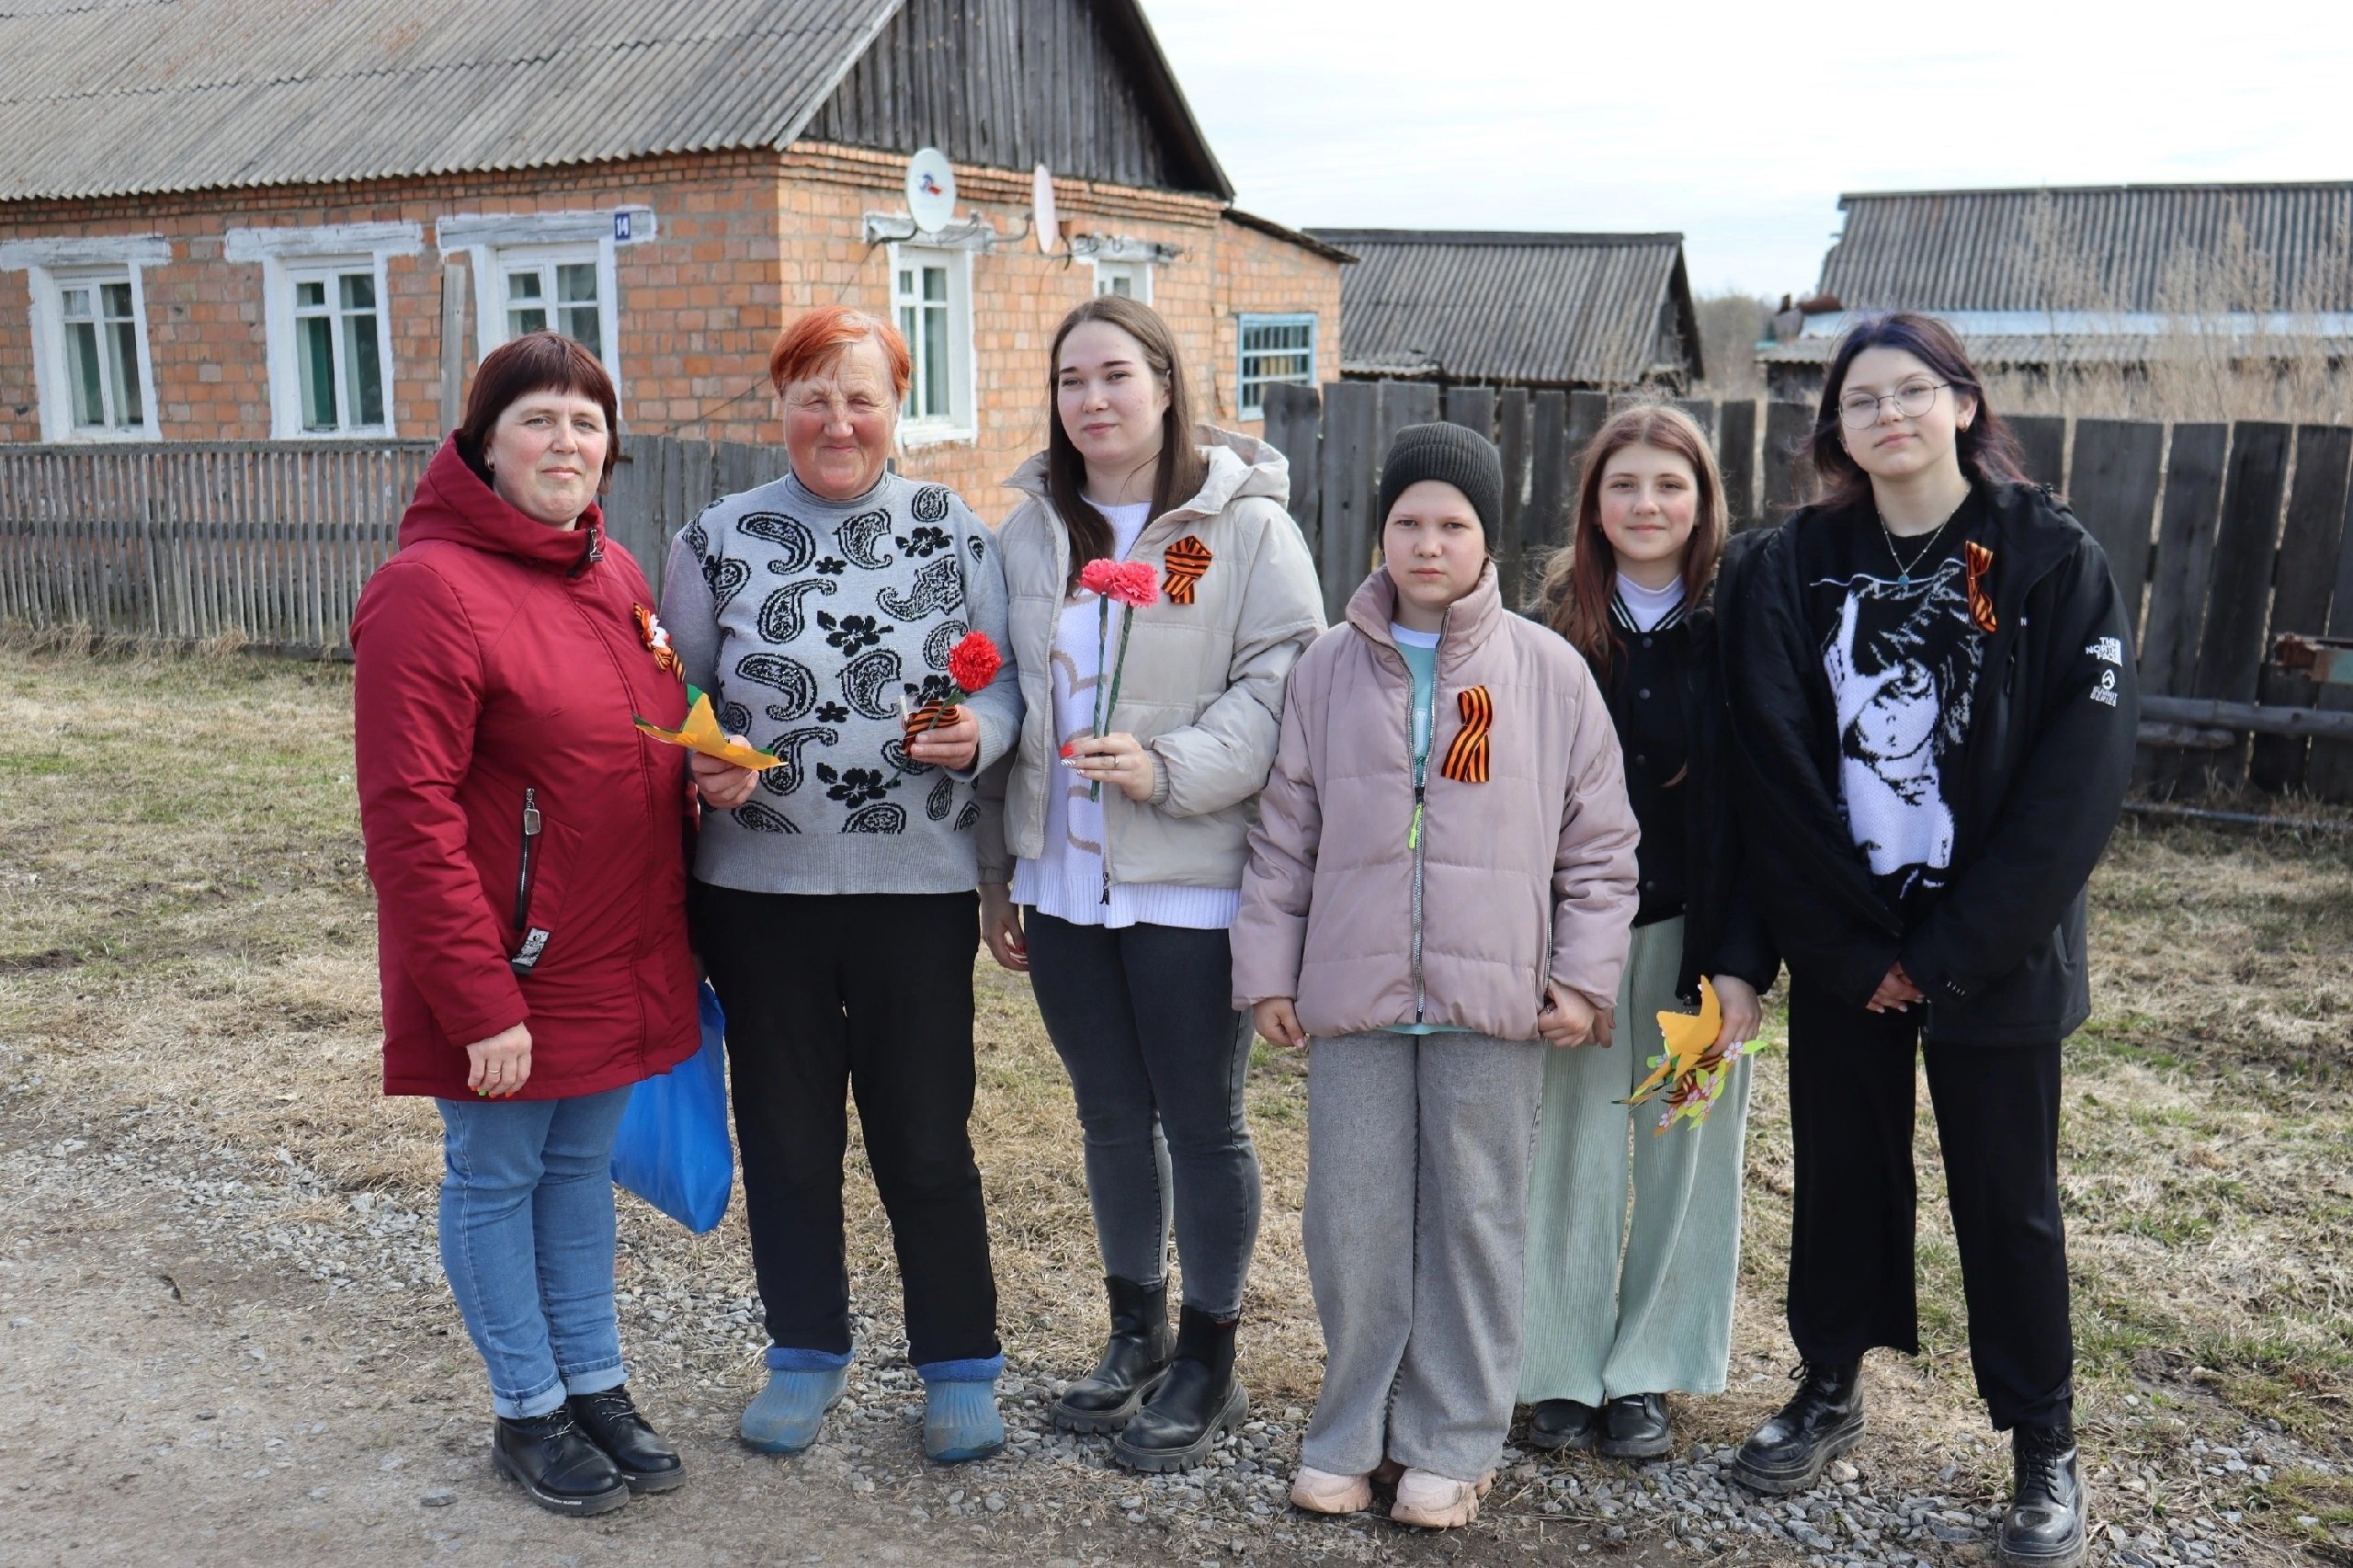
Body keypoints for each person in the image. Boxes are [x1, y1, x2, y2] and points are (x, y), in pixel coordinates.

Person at [1716, 312, 2136, 1568]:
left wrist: (1951, 948)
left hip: (1996, 953)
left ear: (1963, 403)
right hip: (1847, 940)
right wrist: (1852, 948)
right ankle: (1829, 1382)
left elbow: (2080, 779)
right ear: (1835, 428)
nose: (1888, 413)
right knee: (1842, 1172)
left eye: (1914, 390)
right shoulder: (1791, 563)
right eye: (1862, 399)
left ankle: (2041, 1445)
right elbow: (1773, 766)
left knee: (2009, 1203)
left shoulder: (2049, 557)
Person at [1233, 423, 1639, 1529]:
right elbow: (1284, 836)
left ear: (1486, 538)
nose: (1427, 541)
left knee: (1474, 1219)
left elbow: (1601, 849)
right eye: (1408, 519)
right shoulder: (1324, 667)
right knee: (1352, 1219)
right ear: (1379, 532)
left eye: (1451, 523)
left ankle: (1453, 1438)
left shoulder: (1546, 672)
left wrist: (1583, 979)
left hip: (1491, 1005)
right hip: (1356, 1001)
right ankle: (1348, 1426)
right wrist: (1270, 969)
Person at [661, 306, 1023, 1465]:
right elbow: (679, 707)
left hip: (914, 888)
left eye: (860, 396)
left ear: (894, 409)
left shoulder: (953, 532)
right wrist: (703, 759)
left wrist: (982, 727)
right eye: (813, 394)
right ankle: (805, 1350)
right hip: (758, 894)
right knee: (786, 1132)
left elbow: (1010, 688)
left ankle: (959, 1360)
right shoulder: (716, 538)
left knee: (925, 1132)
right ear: (779, 404)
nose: (837, 419)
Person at [974, 296, 1324, 1472]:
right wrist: (998, 873)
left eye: (1116, 374)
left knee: (1202, 1118)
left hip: (1189, 876)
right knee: (1110, 1115)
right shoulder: (1031, 532)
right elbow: (1009, 701)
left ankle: (1209, 1354)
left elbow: (1285, 684)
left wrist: (1170, 766)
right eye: (1071, 380)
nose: (1093, 400)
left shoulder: (1245, 528)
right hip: (1067, 876)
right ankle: (1135, 1327)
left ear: (1167, 384)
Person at [352, 331, 698, 1517]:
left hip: (616, 945)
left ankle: (593, 1381)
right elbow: (408, 816)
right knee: (498, 1173)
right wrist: (477, 996)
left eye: (588, 422)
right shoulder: (427, 591)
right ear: (484, 444)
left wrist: (706, 768)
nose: (567, 442)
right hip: (508, 964)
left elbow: (643, 730)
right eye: (539, 420)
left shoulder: (616, 574)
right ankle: (527, 1404)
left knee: (581, 1171)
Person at [1519, 403, 1779, 1459]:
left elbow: (1776, 809)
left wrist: (1746, 967)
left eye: (1669, 485)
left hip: (1699, 943)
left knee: (1685, 1149)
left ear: (1704, 502)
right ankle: (1560, 1364)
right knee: (1566, 1150)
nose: (1645, 504)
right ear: (1593, 503)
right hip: (1576, 943)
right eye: (1623, 484)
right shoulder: (1541, 632)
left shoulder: (1744, 631)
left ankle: (1646, 1371)